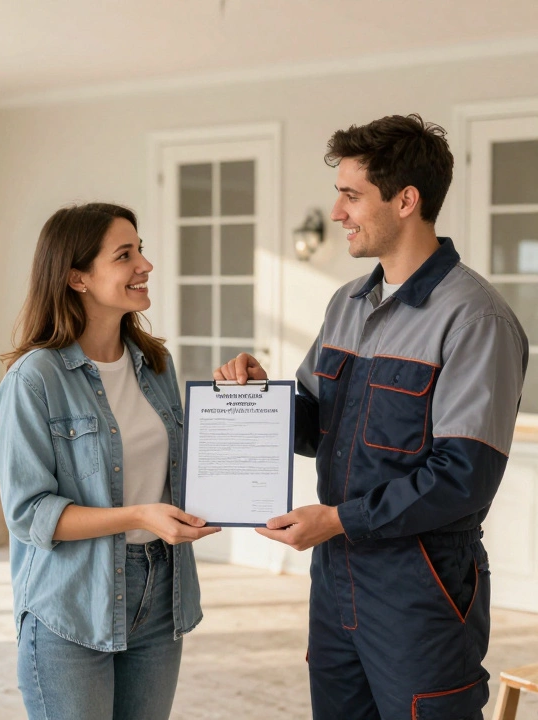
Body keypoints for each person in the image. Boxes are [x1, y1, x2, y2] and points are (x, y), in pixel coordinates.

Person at [215, 114, 527, 719]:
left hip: (421, 582)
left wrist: (337, 520)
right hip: (335, 577)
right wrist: (259, 400)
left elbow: (463, 477)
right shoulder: (346, 304)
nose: (337, 213)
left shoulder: (474, 319)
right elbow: (317, 424)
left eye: (351, 195)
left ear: (406, 200)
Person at [0, 202, 220, 720]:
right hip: (71, 601)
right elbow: (30, 514)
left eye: (140, 250)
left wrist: (243, 400)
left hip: (161, 592)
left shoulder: (156, 365)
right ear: (77, 277)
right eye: (125, 255)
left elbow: (181, 469)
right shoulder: (34, 379)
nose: (145, 265)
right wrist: (140, 515)